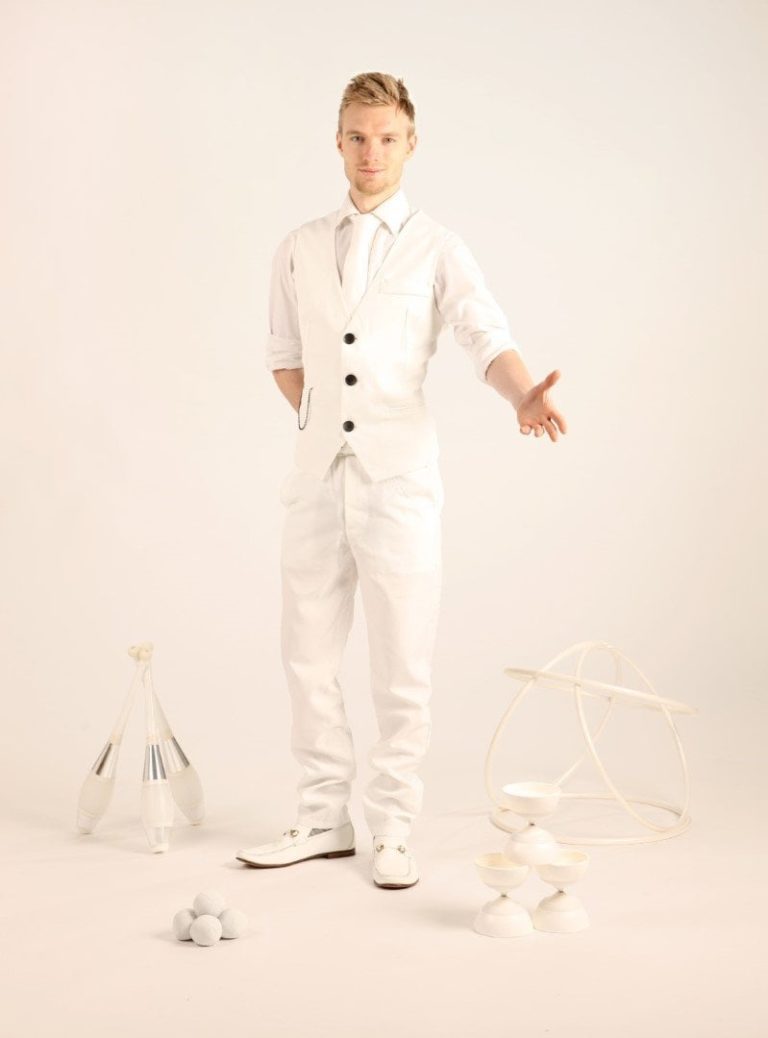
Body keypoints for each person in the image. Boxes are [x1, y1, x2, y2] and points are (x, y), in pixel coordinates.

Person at [236, 72, 567, 889]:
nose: (371, 152)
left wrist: (522, 394)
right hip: (316, 481)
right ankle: (323, 817)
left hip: (400, 484)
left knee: (401, 663)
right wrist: (325, 423)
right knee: (307, 655)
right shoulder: (299, 246)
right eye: (357, 136)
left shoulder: (438, 247)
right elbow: (285, 357)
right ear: (337, 141)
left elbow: (484, 334)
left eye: (386, 137)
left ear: (411, 143)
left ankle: (392, 827)